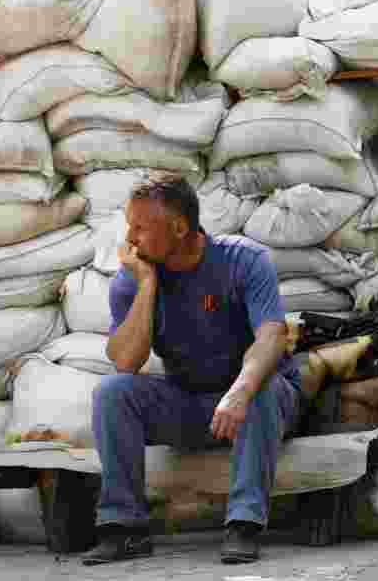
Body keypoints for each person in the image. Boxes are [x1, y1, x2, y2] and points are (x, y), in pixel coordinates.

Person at [82, 172, 302, 566]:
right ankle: (124, 527)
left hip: (257, 402)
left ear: (180, 228)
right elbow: (127, 361)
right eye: (128, 226)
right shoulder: (133, 278)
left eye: (140, 228)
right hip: (191, 403)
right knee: (111, 393)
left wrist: (240, 391)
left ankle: (244, 523)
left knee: (262, 386)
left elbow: (272, 336)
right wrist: (147, 285)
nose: (129, 239)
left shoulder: (244, 260)